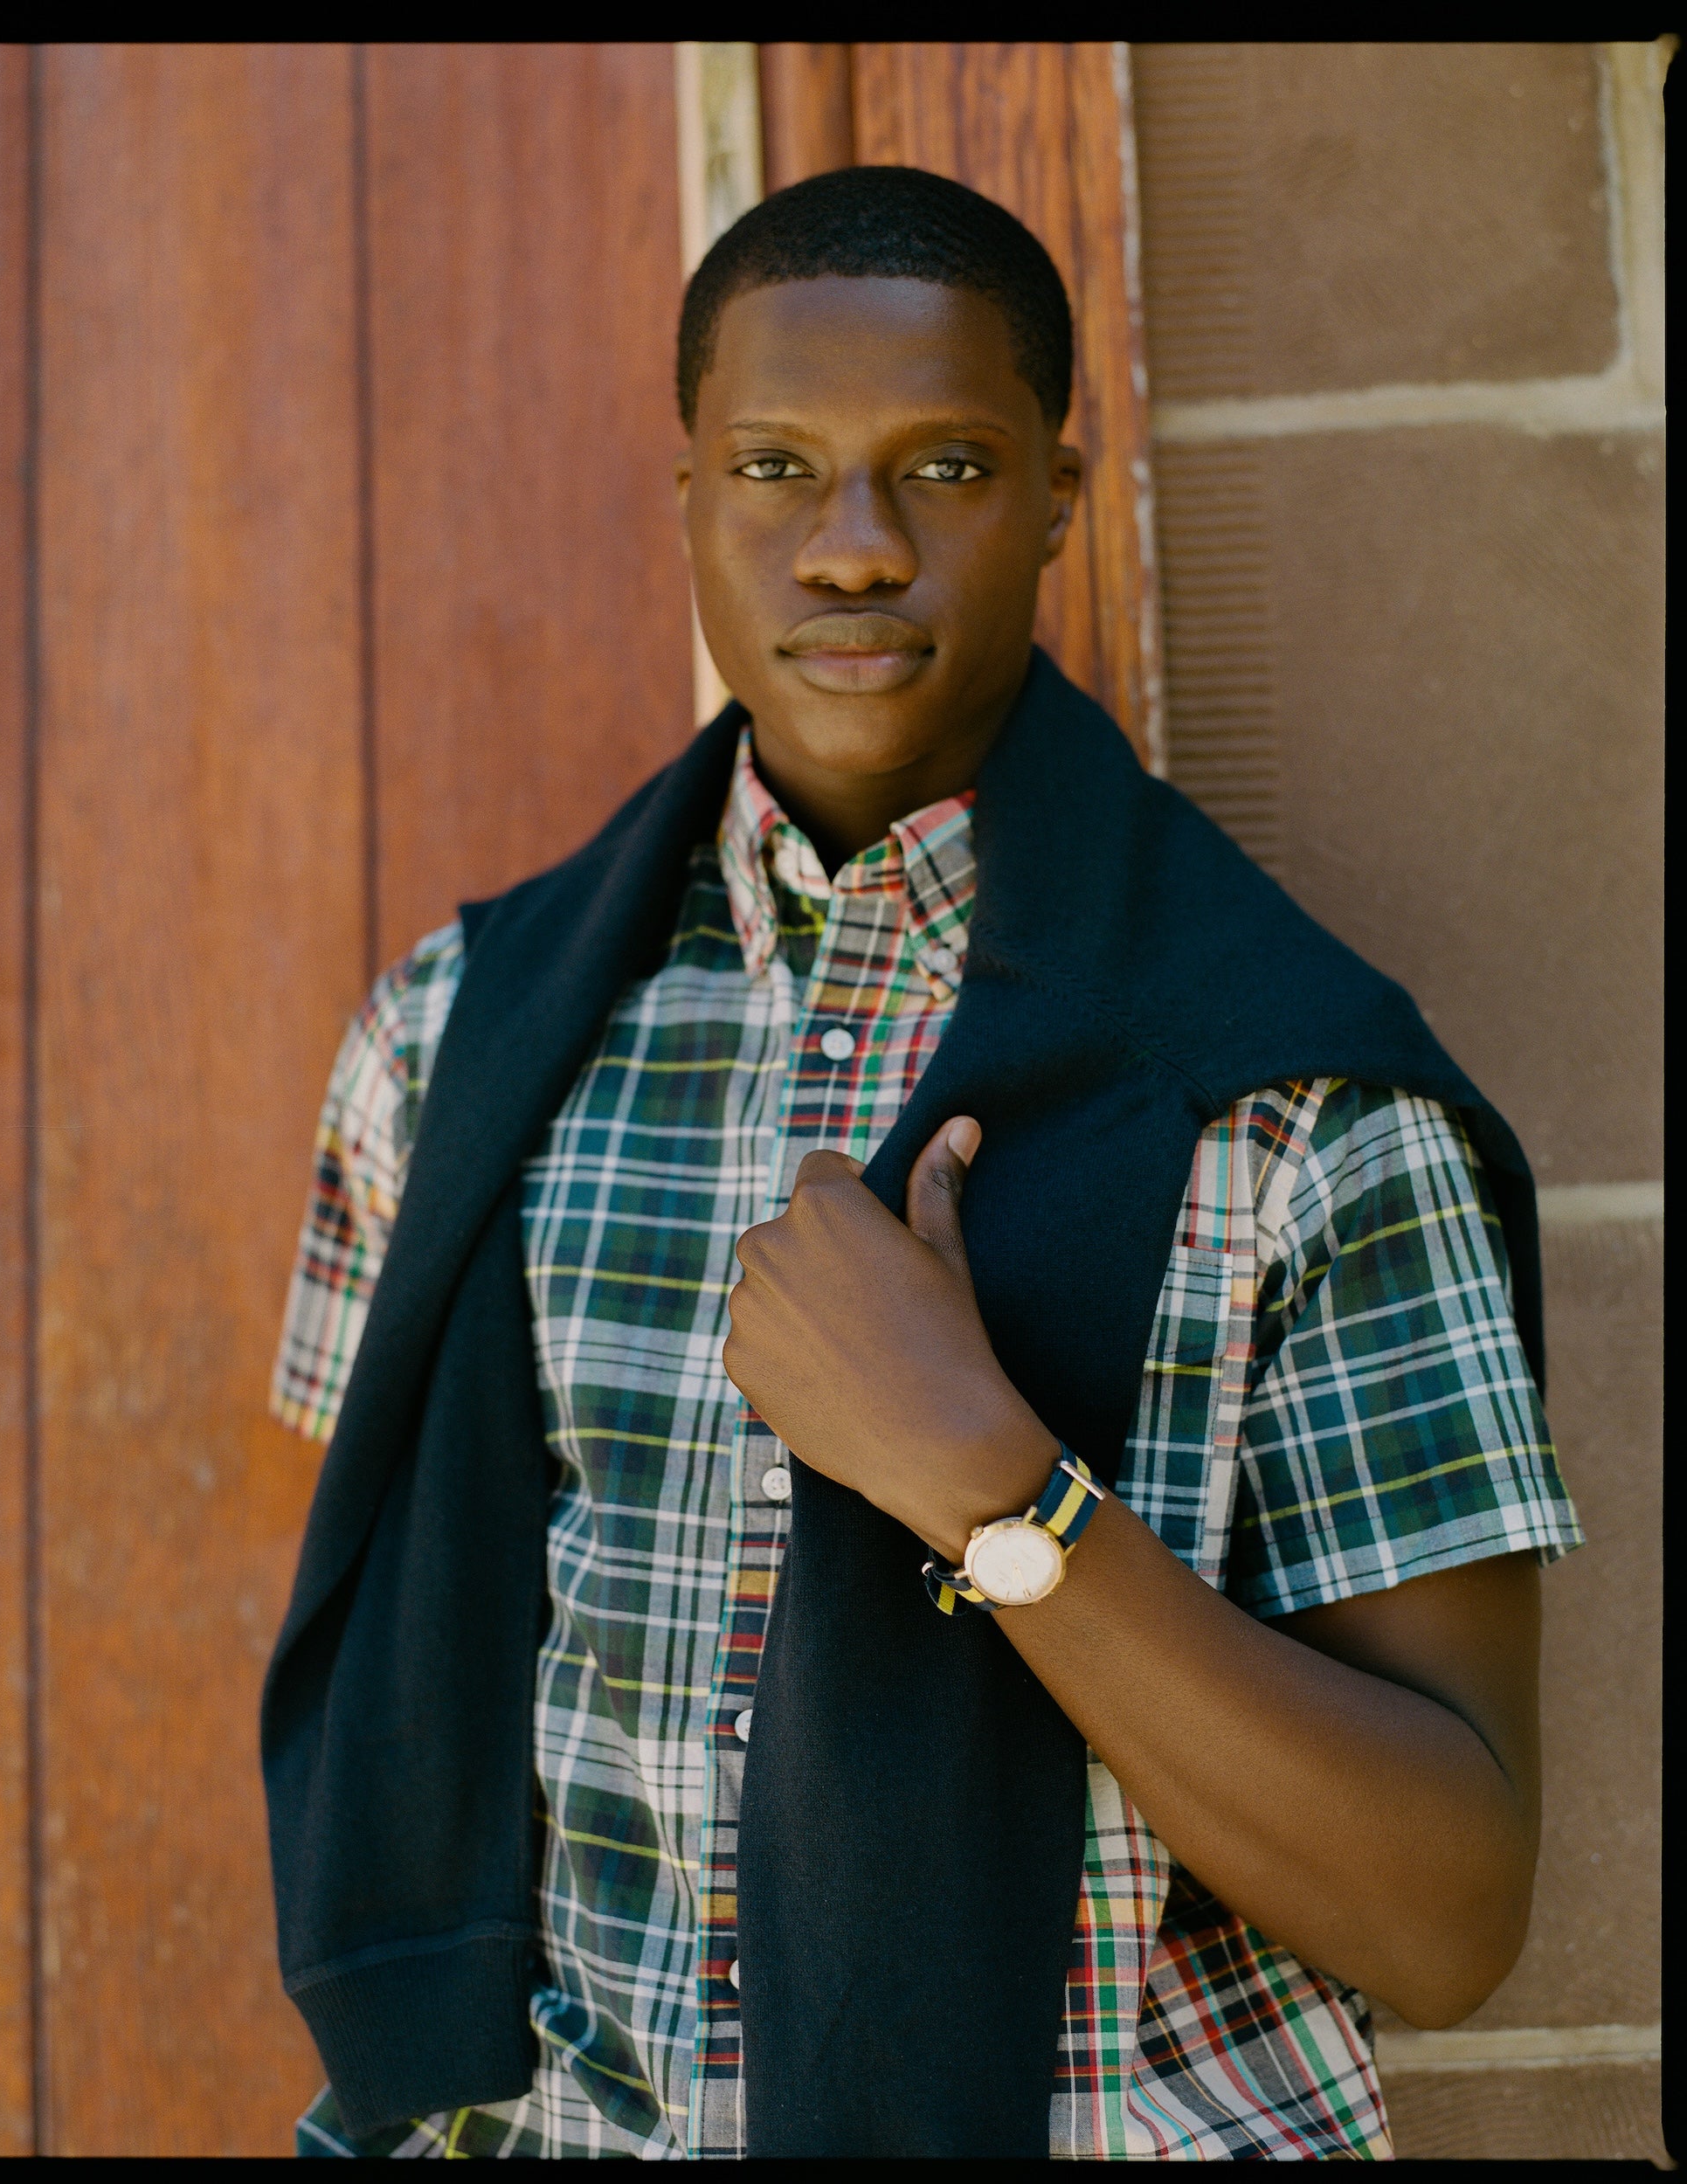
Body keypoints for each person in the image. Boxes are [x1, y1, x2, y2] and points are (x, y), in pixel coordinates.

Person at [263, 165, 1580, 2160]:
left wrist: (989, 1483)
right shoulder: (450, 1043)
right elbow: (394, 1675)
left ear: (1058, 497)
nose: (854, 546)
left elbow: (1446, 1910)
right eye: (775, 466)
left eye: (945, 467)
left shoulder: (1297, 1100)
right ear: (687, 497)